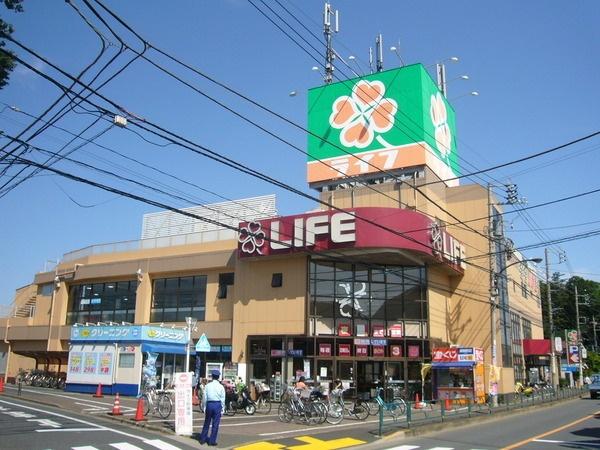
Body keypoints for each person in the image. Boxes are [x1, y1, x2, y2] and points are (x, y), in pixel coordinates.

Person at [199, 370, 225, 447]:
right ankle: (212, 441)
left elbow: (204, 397)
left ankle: (202, 439)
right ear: (218, 377)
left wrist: (204, 406)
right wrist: (223, 408)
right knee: (215, 424)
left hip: (209, 404)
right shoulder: (221, 387)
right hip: (217, 404)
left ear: (212, 376)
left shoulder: (207, 386)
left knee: (207, 422)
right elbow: (222, 399)